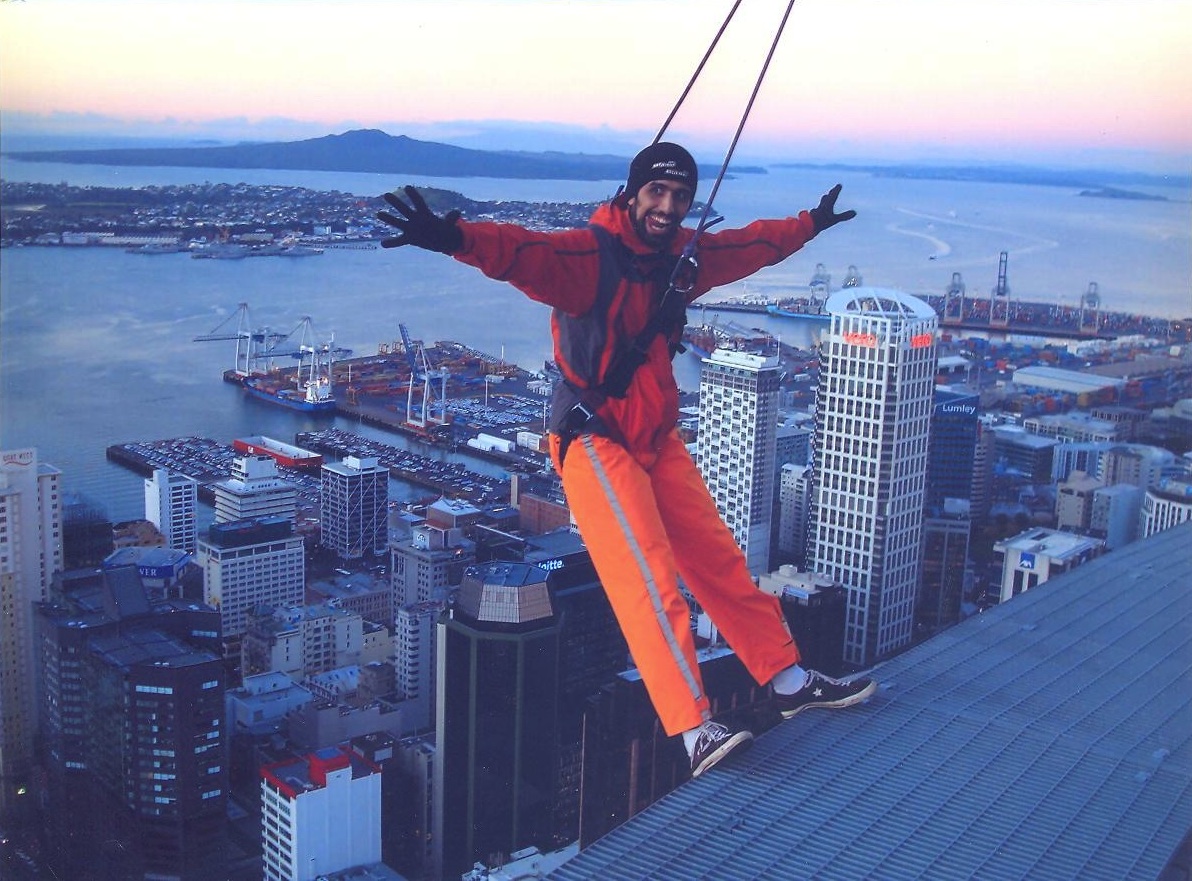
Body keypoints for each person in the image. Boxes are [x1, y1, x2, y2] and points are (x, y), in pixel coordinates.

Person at [378, 142, 876, 778]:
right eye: (657, 193)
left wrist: (807, 224)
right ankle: (692, 728)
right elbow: (521, 252)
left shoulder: (683, 261)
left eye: (680, 197)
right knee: (648, 579)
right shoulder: (590, 257)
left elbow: (750, 246)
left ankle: (786, 680)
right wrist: (451, 236)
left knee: (719, 562)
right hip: (594, 439)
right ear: (633, 192)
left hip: (655, 435)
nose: (668, 207)